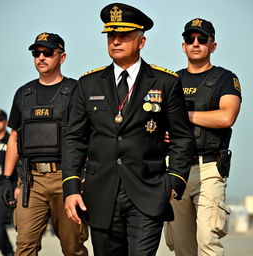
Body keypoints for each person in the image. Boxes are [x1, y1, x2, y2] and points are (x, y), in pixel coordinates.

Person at [62, 3, 193, 256]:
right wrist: (71, 188)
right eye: (112, 36)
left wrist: (174, 182)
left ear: (141, 41)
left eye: (124, 36)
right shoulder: (87, 84)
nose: (116, 41)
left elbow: (181, 137)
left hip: (148, 191)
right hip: (100, 195)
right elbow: (74, 140)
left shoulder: (166, 82)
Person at [2, 32, 88, 255]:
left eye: (48, 53)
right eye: (36, 53)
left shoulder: (77, 91)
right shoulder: (23, 94)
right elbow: (14, 137)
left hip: (67, 179)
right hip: (32, 182)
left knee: (72, 248)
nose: (41, 57)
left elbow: (88, 136)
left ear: (62, 57)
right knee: (25, 246)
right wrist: (8, 180)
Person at [164, 18, 242, 256]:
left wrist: (184, 115)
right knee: (181, 246)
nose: (195, 43)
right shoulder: (170, 81)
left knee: (208, 240)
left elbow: (227, 117)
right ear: (183, 46)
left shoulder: (225, 79)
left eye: (202, 39)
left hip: (209, 168)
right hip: (175, 168)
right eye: (190, 39)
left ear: (213, 45)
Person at [0, 109, 16, 256]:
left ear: (5, 121)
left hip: (4, 186)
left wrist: (16, 186)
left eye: (0, 119)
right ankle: (9, 252)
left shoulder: (11, 140)